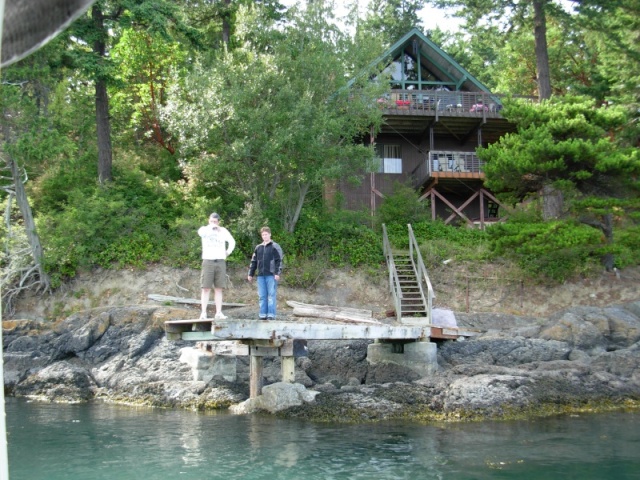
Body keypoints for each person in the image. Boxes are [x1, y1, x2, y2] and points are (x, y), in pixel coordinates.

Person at [198, 212, 236, 320]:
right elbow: (200, 233)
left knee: (219, 288)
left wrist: (227, 252)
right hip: (208, 261)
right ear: (208, 221)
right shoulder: (204, 229)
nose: (213, 223)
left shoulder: (223, 231)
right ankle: (203, 313)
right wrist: (211, 227)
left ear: (218, 222)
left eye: (215, 222)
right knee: (206, 288)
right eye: (211, 221)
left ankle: (218, 312)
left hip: (220, 261)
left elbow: (232, 242)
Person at [247, 227, 283, 320]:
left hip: (271, 275)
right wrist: (250, 274)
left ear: (270, 234)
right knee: (262, 296)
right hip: (260, 276)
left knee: (271, 296)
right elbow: (253, 261)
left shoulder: (275, 246)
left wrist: (277, 273)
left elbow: (279, 260)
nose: (264, 236)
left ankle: (271, 314)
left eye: (266, 234)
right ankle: (263, 314)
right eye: (263, 235)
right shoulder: (258, 247)